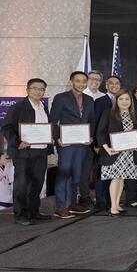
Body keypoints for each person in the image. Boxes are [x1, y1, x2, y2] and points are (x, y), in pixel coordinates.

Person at [1, 78, 54, 225]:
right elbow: (6, 128)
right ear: (28, 90)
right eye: (35, 88)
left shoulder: (43, 107)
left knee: (37, 183)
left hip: (41, 151)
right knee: (22, 184)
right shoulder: (18, 107)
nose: (38, 91)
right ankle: (20, 215)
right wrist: (18, 142)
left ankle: (33, 211)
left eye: (42, 89)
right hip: (24, 153)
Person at [49, 71, 94, 218]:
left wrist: (91, 136)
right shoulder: (61, 98)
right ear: (71, 82)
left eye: (83, 81)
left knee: (77, 174)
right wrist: (57, 139)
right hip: (66, 144)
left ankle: (72, 203)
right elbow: (53, 121)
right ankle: (61, 206)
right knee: (64, 174)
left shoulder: (89, 99)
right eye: (78, 81)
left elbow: (91, 121)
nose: (81, 84)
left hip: (82, 143)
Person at [97, 89, 137, 216]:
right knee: (115, 178)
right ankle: (113, 206)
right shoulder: (109, 113)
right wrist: (106, 148)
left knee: (122, 179)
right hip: (114, 153)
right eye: (121, 99)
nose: (124, 102)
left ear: (131, 101)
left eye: (127, 99)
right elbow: (100, 133)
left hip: (129, 154)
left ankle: (117, 204)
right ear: (116, 101)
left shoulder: (134, 114)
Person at [92, 75, 121, 210]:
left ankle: (112, 200)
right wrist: (97, 145)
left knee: (114, 173)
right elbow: (96, 124)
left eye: (117, 83)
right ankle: (101, 200)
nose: (114, 86)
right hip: (103, 144)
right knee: (101, 172)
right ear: (106, 86)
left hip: (119, 145)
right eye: (111, 84)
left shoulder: (123, 101)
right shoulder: (100, 101)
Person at [80, 70, 106, 208]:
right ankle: (84, 197)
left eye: (98, 80)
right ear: (87, 80)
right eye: (92, 79)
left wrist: (99, 142)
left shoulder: (105, 98)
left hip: (100, 141)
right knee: (85, 170)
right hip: (84, 140)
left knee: (100, 170)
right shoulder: (81, 96)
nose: (95, 81)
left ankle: (101, 198)